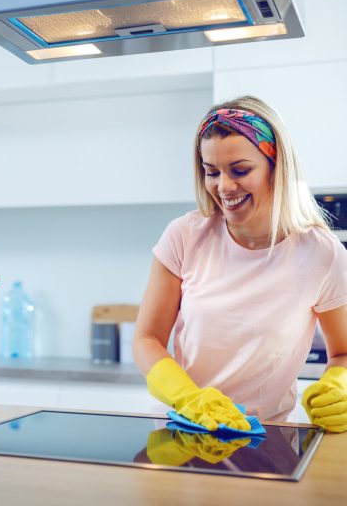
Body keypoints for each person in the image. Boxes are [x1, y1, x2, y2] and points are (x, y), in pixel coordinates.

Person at [132, 95, 347, 436]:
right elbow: (146, 338)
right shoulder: (184, 236)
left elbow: (343, 353)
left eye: (240, 170)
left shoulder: (322, 253)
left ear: (277, 166)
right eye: (211, 172)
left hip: (267, 439)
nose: (224, 186)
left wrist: (338, 387)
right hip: (182, 431)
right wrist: (187, 397)